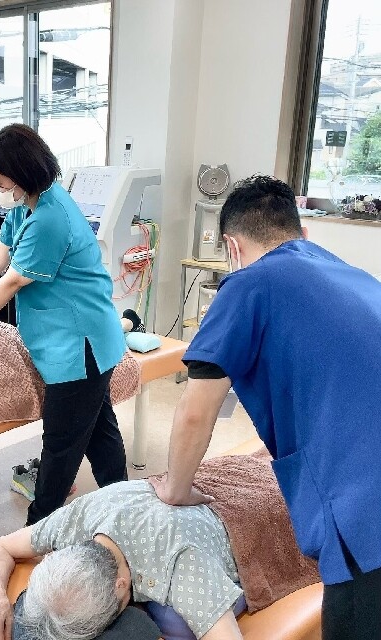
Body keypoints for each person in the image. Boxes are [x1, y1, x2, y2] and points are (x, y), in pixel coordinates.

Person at [148, 175, 381, 640]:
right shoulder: (353, 277)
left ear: (231, 247)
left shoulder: (249, 283)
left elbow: (196, 409)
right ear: (303, 234)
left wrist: (174, 488)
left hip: (366, 510)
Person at [0, 123, 127, 525]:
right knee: (99, 431)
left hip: (81, 344)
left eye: (0, 180)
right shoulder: (27, 205)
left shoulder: (50, 217)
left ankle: (39, 527)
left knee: (62, 443)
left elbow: (15, 278)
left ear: (21, 172)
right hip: (74, 340)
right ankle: (123, 507)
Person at [0, 478, 246, 640]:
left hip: (242, 512)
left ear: (120, 585)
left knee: (176, 621)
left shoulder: (183, 568)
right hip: (168, 504)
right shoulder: (75, 521)